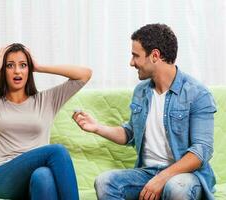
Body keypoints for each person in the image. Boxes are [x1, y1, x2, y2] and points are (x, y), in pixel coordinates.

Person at [73, 24, 216, 200]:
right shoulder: (141, 92)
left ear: (155, 55)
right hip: (147, 173)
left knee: (177, 187)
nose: (131, 62)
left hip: (186, 177)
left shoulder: (197, 93)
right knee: (105, 181)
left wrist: (162, 178)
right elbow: (131, 133)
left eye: (135, 55)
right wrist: (96, 127)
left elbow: (201, 151)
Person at [0, 43, 92, 200]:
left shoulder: (47, 100)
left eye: (23, 65)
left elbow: (85, 74)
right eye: (10, 65)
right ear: (3, 70)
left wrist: (39, 67)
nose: (17, 71)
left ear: (29, 69)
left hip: (33, 178)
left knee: (43, 176)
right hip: (1, 179)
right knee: (57, 151)